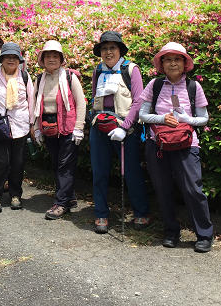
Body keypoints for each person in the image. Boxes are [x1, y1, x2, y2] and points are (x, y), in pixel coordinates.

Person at [139, 42, 213, 252]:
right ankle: (171, 232)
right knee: (163, 190)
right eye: (168, 59)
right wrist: (163, 118)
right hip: (158, 144)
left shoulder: (193, 87)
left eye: (177, 59)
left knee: (193, 189)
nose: (172, 63)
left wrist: (186, 119)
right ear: (162, 64)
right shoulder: (154, 85)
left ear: (184, 63)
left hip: (187, 145)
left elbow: (204, 119)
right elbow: (142, 115)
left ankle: (205, 235)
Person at [88, 31, 150, 234]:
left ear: (120, 50)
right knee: (99, 172)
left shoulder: (131, 69)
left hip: (125, 128)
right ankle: (101, 214)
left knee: (131, 172)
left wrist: (124, 128)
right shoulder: (98, 70)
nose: (108, 52)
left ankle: (141, 212)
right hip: (100, 126)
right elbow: (94, 97)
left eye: (112, 48)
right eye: (104, 48)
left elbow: (139, 101)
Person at [0, 42, 35, 213]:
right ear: (1, 59)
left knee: (18, 163)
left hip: (21, 125)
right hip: (0, 125)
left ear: (19, 60)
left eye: (14, 57)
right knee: (1, 162)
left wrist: (32, 124)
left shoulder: (24, 76)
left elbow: (31, 101)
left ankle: (16, 195)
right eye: (7, 57)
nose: (11, 60)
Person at [32, 40, 86, 220]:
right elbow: (34, 105)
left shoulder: (70, 77)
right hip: (48, 126)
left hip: (68, 127)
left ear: (61, 59)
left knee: (65, 165)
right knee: (57, 163)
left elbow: (81, 104)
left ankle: (61, 203)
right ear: (43, 59)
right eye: (48, 56)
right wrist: (36, 127)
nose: (52, 59)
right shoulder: (39, 79)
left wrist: (79, 127)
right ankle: (69, 198)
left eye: (56, 56)